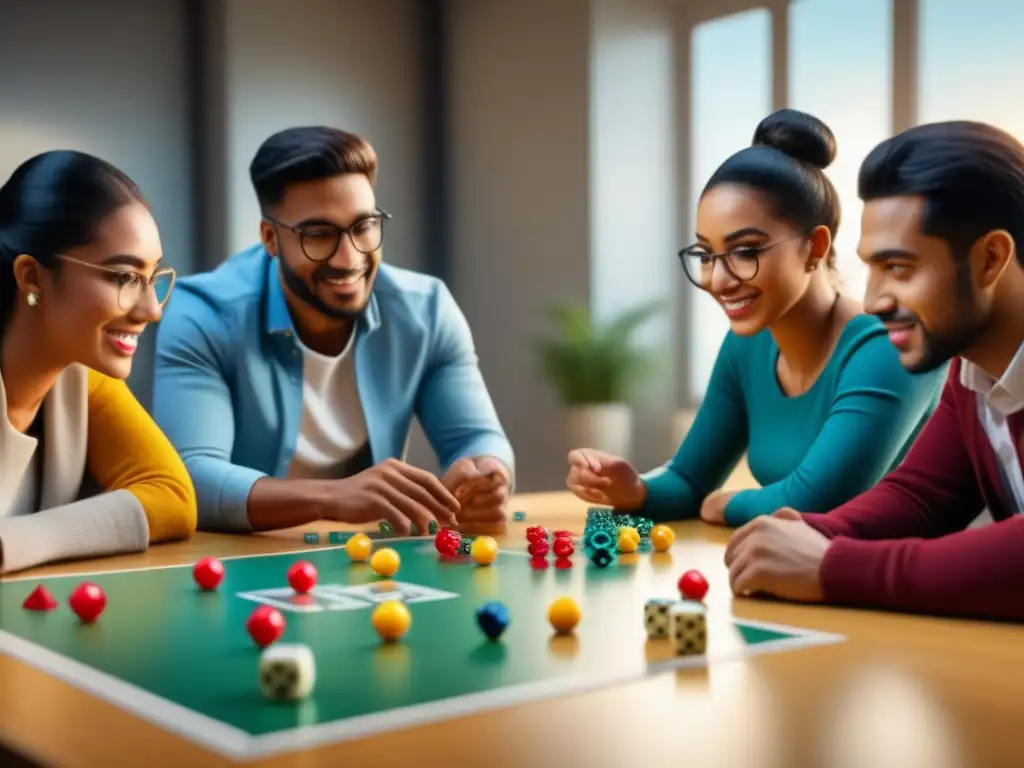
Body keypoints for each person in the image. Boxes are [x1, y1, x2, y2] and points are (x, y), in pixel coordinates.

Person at [566, 109, 945, 526]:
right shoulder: (748, 344)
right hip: (794, 573)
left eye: (745, 251)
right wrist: (636, 490)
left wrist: (722, 505)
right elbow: (690, 478)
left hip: (889, 581)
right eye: (707, 255)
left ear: (815, 247)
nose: (719, 279)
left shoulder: (883, 347)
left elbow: (817, 501)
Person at [723, 120, 1024, 622]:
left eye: (899, 268)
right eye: (871, 268)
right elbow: (923, 496)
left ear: (991, 259)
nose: (875, 300)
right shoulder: (971, 374)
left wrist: (832, 566)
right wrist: (813, 530)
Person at [152, 126, 514, 536]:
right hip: (237, 563)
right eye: (319, 235)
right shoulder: (202, 314)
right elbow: (191, 479)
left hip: (368, 563)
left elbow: (477, 437)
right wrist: (333, 497)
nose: (348, 258)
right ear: (270, 237)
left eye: (363, 227)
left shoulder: (426, 310)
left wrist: (488, 476)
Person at [0, 150, 197, 574]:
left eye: (152, 278)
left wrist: (12, 542)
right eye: (124, 277)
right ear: (32, 277)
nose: (151, 310)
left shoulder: (81, 376)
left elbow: (172, 497)